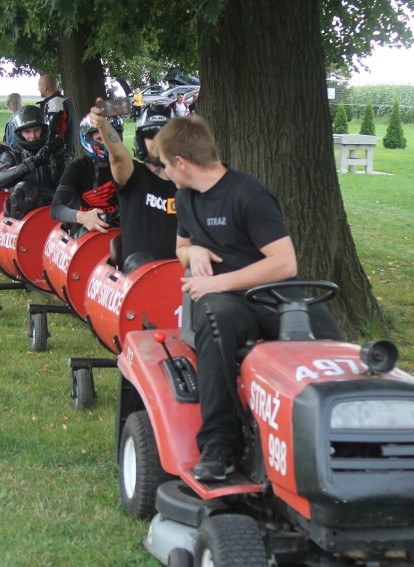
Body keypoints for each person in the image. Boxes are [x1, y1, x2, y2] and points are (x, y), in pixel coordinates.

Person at [151, 116, 342, 481]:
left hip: (275, 296)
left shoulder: (248, 195)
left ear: (181, 162)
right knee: (214, 321)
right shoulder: (185, 198)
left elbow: (285, 263)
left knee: (332, 347)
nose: (163, 172)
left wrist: (219, 283)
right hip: (227, 304)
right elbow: (182, 246)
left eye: (163, 164)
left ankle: (338, 438)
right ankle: (220, 445)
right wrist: (194, 255)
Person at [89, 100, 178, 268]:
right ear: (141, 140)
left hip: (183, 278)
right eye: (152, 135)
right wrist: (103, 124)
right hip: (137, 281)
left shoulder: (189, 184)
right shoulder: (133, 175)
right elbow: (117, 155)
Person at [49, 113, 118, 236]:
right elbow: (56, 209)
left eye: (111, 138)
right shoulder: (77, 168)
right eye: (100, 139)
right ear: (88, 139)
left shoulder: (130, 168)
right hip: (84, 240)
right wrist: (82, 217)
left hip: (121, 236)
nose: (107, 144)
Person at [0, 105, 60, 219]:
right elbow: (0, 178)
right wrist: (32, 163)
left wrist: (58, 158)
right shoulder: (12, 155)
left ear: (43, 130)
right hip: (21, 218)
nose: (33, 136)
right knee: (24, 187)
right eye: (27, 131)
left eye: (36, 130)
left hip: (51, 214)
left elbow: (67, 183)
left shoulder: (51, 152)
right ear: (20, 133)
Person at [37, 74, 76, 170]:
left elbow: (51, 132)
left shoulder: (55, 104)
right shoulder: (64, 101)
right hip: (66, 152)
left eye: (39, 86)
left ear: (45, 86)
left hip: (58, 156)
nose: (38, 89)